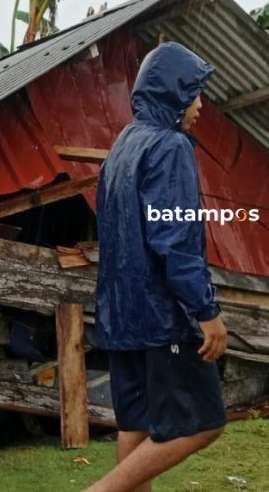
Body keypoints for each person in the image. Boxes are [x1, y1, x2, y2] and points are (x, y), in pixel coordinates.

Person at [86, 42, 228, 492]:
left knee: (137, 425)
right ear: (173, 93)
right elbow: (174, 240)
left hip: (121, 319)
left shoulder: (123, 148)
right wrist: (206, 311)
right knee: (202, 423)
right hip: (162, 319)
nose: (201, 106)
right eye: (195, 94)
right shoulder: (170, 147)